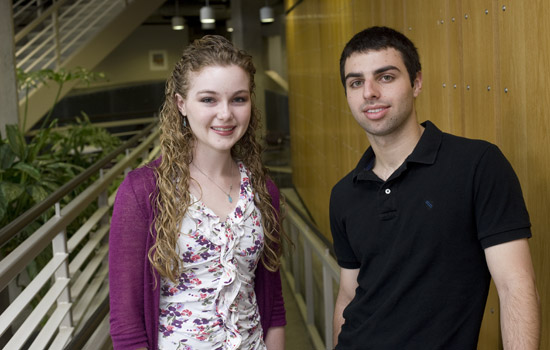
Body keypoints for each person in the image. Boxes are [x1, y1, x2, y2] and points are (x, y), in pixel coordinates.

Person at [330, 26, 540, 349]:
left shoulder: (477, 165)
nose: (369, 92)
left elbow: (516, 287)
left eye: (385, 77)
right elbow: (348, 295)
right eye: (356, 82)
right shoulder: (344, 193)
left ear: (416, 83)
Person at [109, 35, 288, 350]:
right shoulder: (144, 191)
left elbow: (273, 304)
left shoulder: (263, 189)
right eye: (208, 99)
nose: (225, 115)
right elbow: (126, 323)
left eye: (238, 99)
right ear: (181, 104)